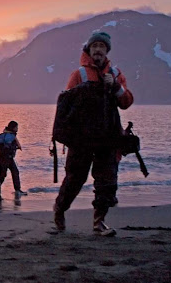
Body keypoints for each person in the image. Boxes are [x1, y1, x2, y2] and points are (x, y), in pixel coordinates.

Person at [53, 32, 134, 236]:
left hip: (108, 137)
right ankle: (60, 209)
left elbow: (126, 102)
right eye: (95, 46)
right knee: (74, 179)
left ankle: (99, 222)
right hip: (82, 139)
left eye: (102, 46)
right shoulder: (78, 74)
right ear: (89, 49)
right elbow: (66, 106)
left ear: (107, 51)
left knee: (106, 181)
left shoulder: (115, 74)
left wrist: (115, 87)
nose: (98, 49)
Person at [0, 121, 27, 199]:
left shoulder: (3, 135)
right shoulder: (10, 136)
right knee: (4, 174)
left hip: (4, 158)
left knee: (13, 172)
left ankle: (17, 190)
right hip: (7, 158)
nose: (17, 129)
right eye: (16, 127)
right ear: (13, 128)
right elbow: (8, 147)